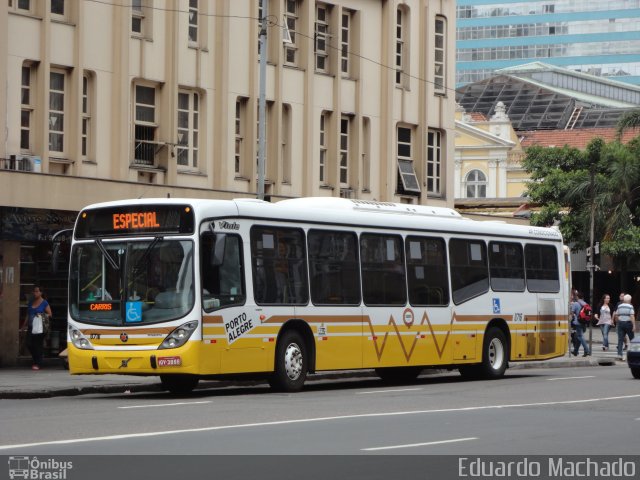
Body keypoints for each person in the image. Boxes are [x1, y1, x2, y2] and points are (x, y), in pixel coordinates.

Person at [19, 285, 53, 371]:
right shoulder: (31, 302)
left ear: (41, 293)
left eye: (37, 291)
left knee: (37, 345)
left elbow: (50, 314)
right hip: (31, 327)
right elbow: (28, 314)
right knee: (29, 344)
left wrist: (41, 315)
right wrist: (24, 325)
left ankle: (38, 363)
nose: (35, 293)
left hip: (39, 328)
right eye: (34, 291)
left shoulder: (44, 303)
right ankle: (36, 360)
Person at [613, 293, 635, 361]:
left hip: (620, 324)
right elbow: (632, 316)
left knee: (620, 340)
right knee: (632, 339)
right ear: (629, 300)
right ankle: (633, 354)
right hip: (628, 324)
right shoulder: (630, 306)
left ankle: (619, 354)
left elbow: (616, 315)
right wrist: (634, 325)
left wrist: (618, 321)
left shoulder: (620, 306)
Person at [570, 291, 590, 357]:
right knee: (579, 336)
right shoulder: (585, 303)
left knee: (580, 336)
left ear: (577, 297)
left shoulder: (575, 303)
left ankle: (587, 350)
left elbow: (572, 313)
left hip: (578, 322)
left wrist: (572, 317)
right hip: (584, 322)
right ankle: (575, 351)